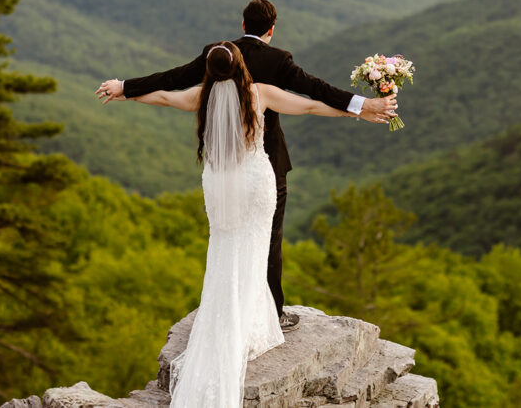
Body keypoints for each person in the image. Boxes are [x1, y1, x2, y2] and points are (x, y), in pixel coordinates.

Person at [113, 41, 390, 407]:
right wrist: (360, 113)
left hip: (220, 184)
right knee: (256, 249)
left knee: (225, 245)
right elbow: (309, 105)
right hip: (257, 184)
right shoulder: (259, 93)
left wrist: (125, 93)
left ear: (211, 72)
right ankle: (251, 318)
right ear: (241, 66)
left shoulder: (202, 96)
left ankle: (227, 311)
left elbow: (164, 96)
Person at [95, 0, 396, 331]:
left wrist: (125, 88)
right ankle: (273, 313)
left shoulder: (217, 55)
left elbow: (173, 81)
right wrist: (363, 106)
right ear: (271, 29)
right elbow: (315, 94)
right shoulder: (276, 64)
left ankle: (229, 307)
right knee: (269, 237)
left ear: (242, 25)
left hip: (223, 167)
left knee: (228, 235)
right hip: (264, 165)